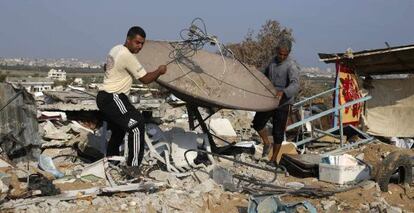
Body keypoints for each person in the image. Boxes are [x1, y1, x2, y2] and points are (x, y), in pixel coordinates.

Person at [96, 26, 167, 168]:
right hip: (113, 97)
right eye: (137, 42)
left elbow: (106, 66)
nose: (140, 46)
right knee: (137, 124)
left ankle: (112, 162)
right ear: (128, 39)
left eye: (142, 44)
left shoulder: (115, 49)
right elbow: (146, 79)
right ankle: (133, 167)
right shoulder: (126, 55)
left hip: (104, 96)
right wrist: (159, 71)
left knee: (119, 129)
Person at [252, 39, 300, 165]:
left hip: (283, 103)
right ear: (276, 51)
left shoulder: (291, 66)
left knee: (278, 131)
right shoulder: (272, 62)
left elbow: (295, 84)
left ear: (288, 53)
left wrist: (283, 92)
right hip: (270, 100)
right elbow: (263, 74)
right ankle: (267, 143)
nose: (282, 56)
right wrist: (254, 72)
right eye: (280, 54)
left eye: (285, 54)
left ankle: (273, 160)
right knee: (257, 123)